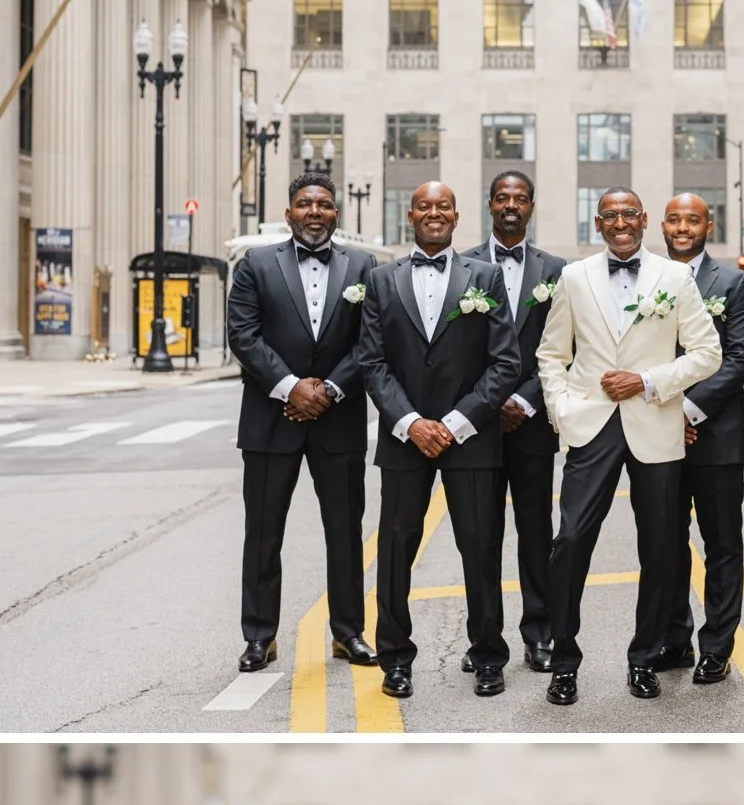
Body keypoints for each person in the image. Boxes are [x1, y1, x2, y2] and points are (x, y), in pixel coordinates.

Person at [535, 189, 721, 706]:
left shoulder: (675, 277)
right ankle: (564, 661)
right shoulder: (574, 277)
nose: (621, 223)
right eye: (611, 216)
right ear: (599, 224)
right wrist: (561, 410)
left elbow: (708, 353)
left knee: (661, 547)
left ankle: (644, 658)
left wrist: (646, 380)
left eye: (629, 215)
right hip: (590, 425)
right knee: (570, 540)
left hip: (654, 423)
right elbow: (552, 353)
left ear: (644, 221)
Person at [357, 182, 522, 701]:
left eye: (444, 206)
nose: (434, 213)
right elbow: (372, 362)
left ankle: (489, 655)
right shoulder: (381, 280)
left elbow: (506, 362)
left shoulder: (486, 276)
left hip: (470, 438)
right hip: (405, 439)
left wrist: (454, 422)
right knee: (395, 551)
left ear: (456, 215)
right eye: (424, 205)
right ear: (411, 213)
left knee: (480, 549)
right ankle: (396, 659)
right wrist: (410, 422)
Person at [226, 175, 379, 675]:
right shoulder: (255, 265)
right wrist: (292, 387)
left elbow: (370, 343)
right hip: (272, 420)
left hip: (339, 421)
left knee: (345, 532)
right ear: (289, 212)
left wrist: (329, 390)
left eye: (325, 205)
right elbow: (244, 336)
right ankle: (259, 636)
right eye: (305, 204)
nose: (315, 212)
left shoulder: (363, 266)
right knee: (263, 533)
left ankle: (348, 632)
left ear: (337, 214)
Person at [459, 173, 568, 675]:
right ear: (489, 205)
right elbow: (454, 354)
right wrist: (485, 404)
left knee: (534, 530)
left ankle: (539, 632)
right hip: (475, 423)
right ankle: (483, 638)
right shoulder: (459, 266)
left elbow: (564, 348)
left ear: (531, 206)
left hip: (531, 422)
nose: (510, 205)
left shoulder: (556, 271)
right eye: (501, 198)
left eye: (519, 198)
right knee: (479, 536)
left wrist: (523, 401)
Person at [657, 194, 744, 686]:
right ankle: (674, 640)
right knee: (666, 543)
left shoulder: (733, 282)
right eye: (675, 219)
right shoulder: (648, 275)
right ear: (662, 225)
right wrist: (666, 411)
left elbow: (741, 357)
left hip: (716, 437)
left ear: (708, 225)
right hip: (656, 434)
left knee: (720, 545)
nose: (682, 227)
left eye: (692, 219)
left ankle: (716, 647)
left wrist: (690, 409)